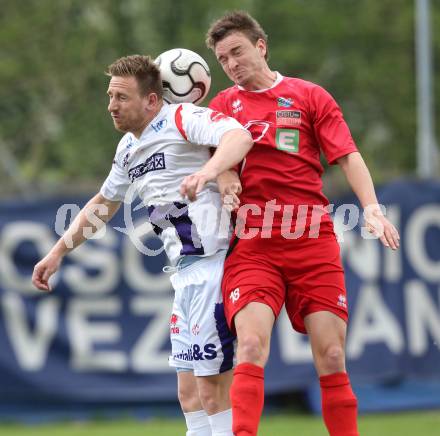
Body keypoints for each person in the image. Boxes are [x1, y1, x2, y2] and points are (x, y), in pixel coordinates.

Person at [179, 11, 400, 436]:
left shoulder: (308, 95)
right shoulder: (224, 106)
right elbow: (217, 160)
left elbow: (348, 155)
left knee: (332, 356)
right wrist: (226, 180)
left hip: (311, 240)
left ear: (261, 46)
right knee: (251, 345)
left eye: (237, 52)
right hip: (255, 246)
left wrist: (370, 206)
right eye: (223, 59)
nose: (232, 64)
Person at [32, 54, 253, 436]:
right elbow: (103, 204)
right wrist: (57, 253)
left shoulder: (182, 118)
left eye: (121, 97)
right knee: (188, 395)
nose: (111, 106)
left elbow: (239, 136)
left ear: (152, 100)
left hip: (213, 266)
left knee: (212, 392)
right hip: (184, 275)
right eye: (110, 96)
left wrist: (209, 172)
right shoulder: (127, 148)